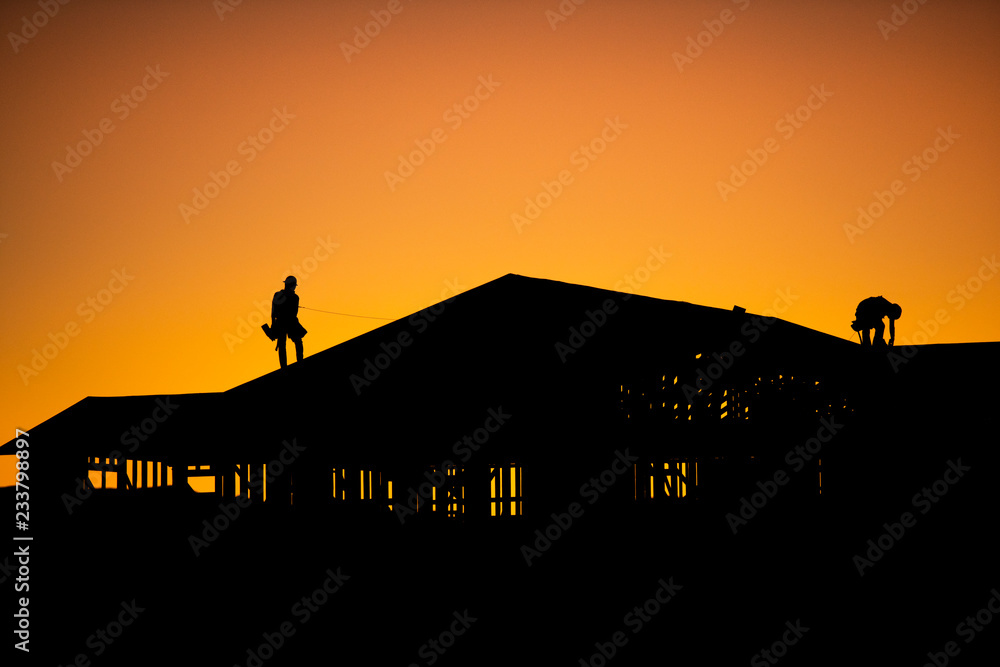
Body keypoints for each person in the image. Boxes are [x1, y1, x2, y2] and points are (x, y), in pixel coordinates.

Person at [271, 276, 306, 368]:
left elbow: (273, 312)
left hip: (286, 322)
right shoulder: (293, 297)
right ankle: (296, 363)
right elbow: (275, 311)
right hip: (286, 322)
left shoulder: (289, 296)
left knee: (294, 342)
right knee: (287, 344)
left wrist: (273, 323)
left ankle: (295, 363)